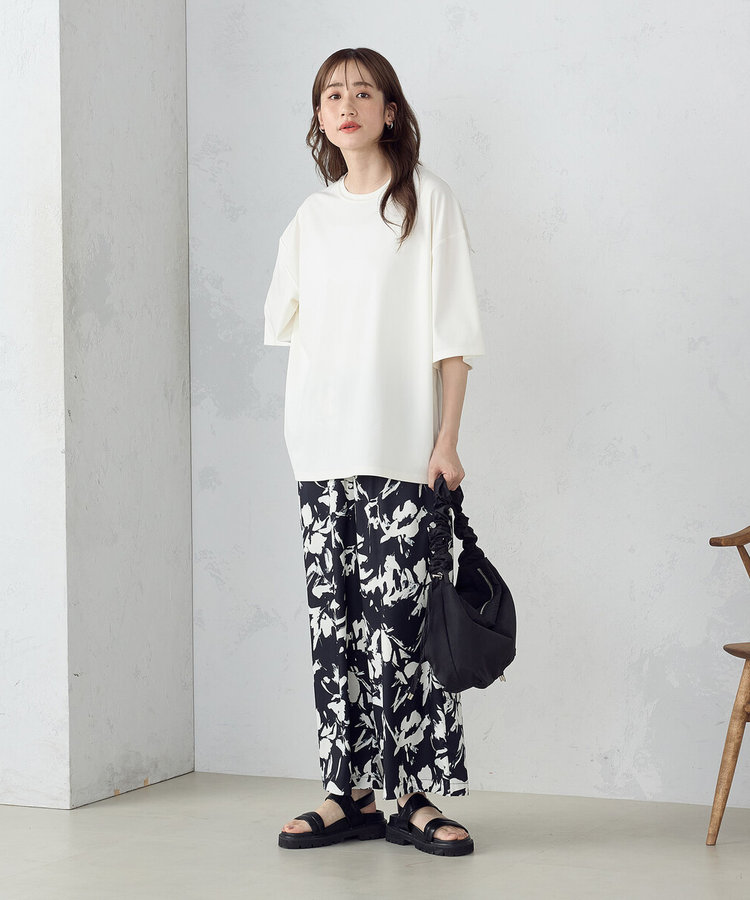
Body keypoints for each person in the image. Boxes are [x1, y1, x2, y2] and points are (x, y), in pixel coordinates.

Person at [263, 47, 486, 857]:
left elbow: (453, 337)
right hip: (320, 450)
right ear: (319, 116)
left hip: (403, 452)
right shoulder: (311, 218)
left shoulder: (426, 201)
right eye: (332, 94)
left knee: (407, 626)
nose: (347, 105)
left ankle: (415, 798)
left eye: (363, 92)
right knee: (337, 629)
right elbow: (290, 325)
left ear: (391, 110)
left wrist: (447, 440)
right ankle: (350, 793)